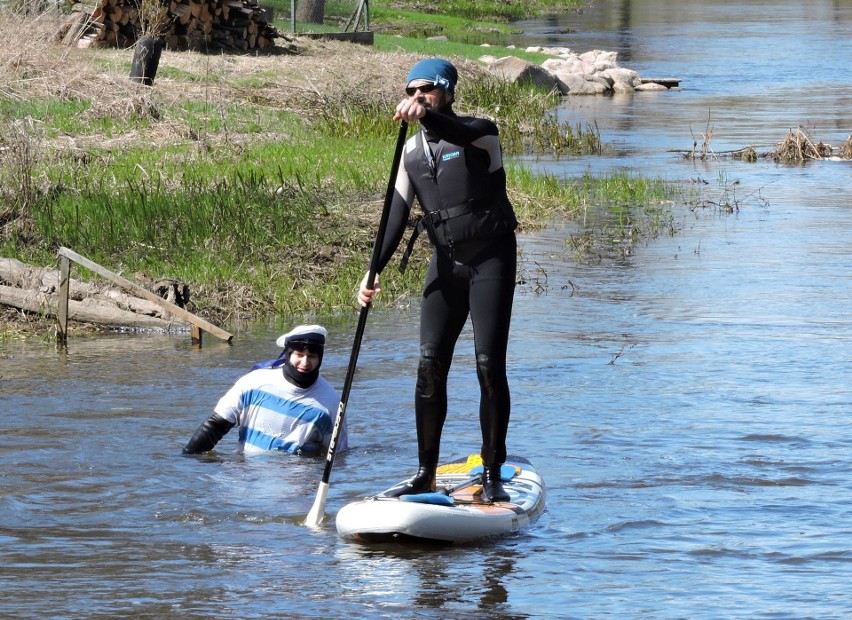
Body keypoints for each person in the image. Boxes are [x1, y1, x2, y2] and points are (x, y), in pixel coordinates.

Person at [358, 57, 518, 502]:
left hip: (491, 260)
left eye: (426, 90)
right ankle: (426, 472)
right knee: (428, 366)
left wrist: (428, 115)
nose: (417, 97)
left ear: (447, 91)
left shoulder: (482, 132)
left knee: (489, 365)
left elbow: (460, 132)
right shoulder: (410, 154)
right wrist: (373, 270)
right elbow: (394, 217)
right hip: (445, 264)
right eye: (411, 92)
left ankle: (492, 473)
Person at [182, 325, 348, 456]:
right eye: (299, 354)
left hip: (299, 488)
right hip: (248, 481)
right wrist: (189, 459)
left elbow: (337, 455)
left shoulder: (330, 402)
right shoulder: (254, 383)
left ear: (320, 358)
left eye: (312, 356)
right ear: (288, 354)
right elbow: (215, 426)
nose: (305, 362)